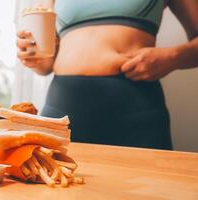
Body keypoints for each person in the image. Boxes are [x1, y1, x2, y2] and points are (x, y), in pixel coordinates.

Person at [16, 0, 198, 150]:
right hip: (62, 108)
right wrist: (32, 56)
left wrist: (172, 57)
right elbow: (45, 65)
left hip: (135, 108)